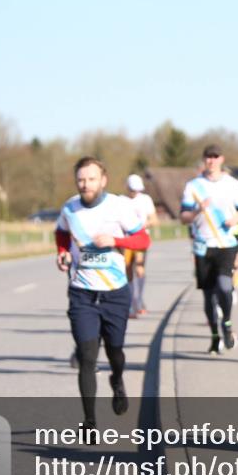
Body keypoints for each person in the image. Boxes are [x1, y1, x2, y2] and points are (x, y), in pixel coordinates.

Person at [55, 156, 150, 432]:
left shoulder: (119, 206)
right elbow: (61, 233)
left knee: (115, 352)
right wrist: (62, 253)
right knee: (87, 355)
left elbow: (143, 239)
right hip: (82, 293)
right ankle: (89, 422)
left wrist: (116, 241)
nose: (86, 184)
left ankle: (117, 380)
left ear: (103, 180)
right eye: (81, 180)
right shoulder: (70, 208)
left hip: (114, 293)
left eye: (91, 179)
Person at [180, 144, 238, 354]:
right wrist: (197, 211)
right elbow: (183, 217)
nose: (211, 160)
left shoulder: (233, 184)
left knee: (225, 286)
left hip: (226, 244)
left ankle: (226, 324)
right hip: (203, 246)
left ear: (221, 159)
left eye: (215, 156)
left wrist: (234, 219)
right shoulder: (193, 186)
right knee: (208, 296)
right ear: (204, 160)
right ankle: (214, 336)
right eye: (208, 157)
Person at [125, 173, 158, 318]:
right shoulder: (121, 201)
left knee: (139, 269)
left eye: (138, 190)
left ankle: (138, 300)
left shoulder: (145, 200)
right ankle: (132, 303)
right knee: (128, 272)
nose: (135, 193)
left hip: (140, 239)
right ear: (127, 188)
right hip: (125, 241)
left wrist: (144, 224)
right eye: (133, 190)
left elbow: (155, 220)